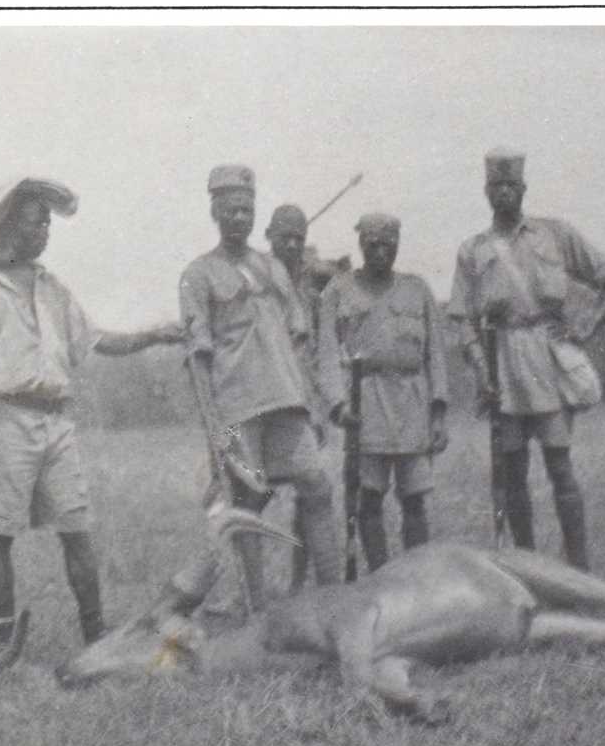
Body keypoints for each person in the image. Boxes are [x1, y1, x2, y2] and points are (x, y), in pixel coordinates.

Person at [0, 177, 183, 650]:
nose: (46, 231)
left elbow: (97, 340)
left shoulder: (53, 288)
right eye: (36, 222)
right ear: (7, 227)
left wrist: (154, 334)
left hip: (56, 421)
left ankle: (96, 635)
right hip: (4, 420)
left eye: (49, 222)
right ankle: (4, 641)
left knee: (77, 529)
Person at [446, 148, 605, 570]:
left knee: (560, 468)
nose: (504, 192)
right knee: (513, 475)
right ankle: (530, 570)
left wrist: (586, 326)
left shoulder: (555, 235)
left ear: (523, 189)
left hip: (547, 361)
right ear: (486, 192)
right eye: (496, 186)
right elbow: (462, 319)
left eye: (511, 185)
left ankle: (579, 571)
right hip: (501, 366)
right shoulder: (473, 249)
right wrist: (480, 372)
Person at [179, 165, 341, 610]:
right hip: (235, 414)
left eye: (247, 209)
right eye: (230, 209)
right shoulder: (198, 275)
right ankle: (256, 609)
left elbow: (298, 339)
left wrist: (312, 404)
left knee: (317, 485)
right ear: (214, 211)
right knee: (244, 502)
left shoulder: (273, 269)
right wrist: (216, 432)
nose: (239, 217)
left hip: (287, 404)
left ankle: (333, 598)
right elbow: (198, 356)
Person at [318, 213, 449, 571]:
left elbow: (436, 353)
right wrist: (338, 405)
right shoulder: (338, 290)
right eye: (372, 243)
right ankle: (380, 577)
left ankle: (416, 576)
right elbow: (327, 354)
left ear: (398, 245)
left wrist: (438, 413)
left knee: (414, 500)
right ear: (360, 245)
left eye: (388, 244)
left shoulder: (417, 289)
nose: (380, 251)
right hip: (366, 404)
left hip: (412, 403)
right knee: (368, 499)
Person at [264, 203, 329, 589]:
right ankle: (243, 593)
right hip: (260, 405)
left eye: (298, 239)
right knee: (249, 496)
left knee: (311, 495)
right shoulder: (256, 278)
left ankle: (301, 585)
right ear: (269, 237)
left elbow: (313, 352)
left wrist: (318, 409)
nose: (291, 245)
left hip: (301, 404)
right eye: (284, 237)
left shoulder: (308, 288)